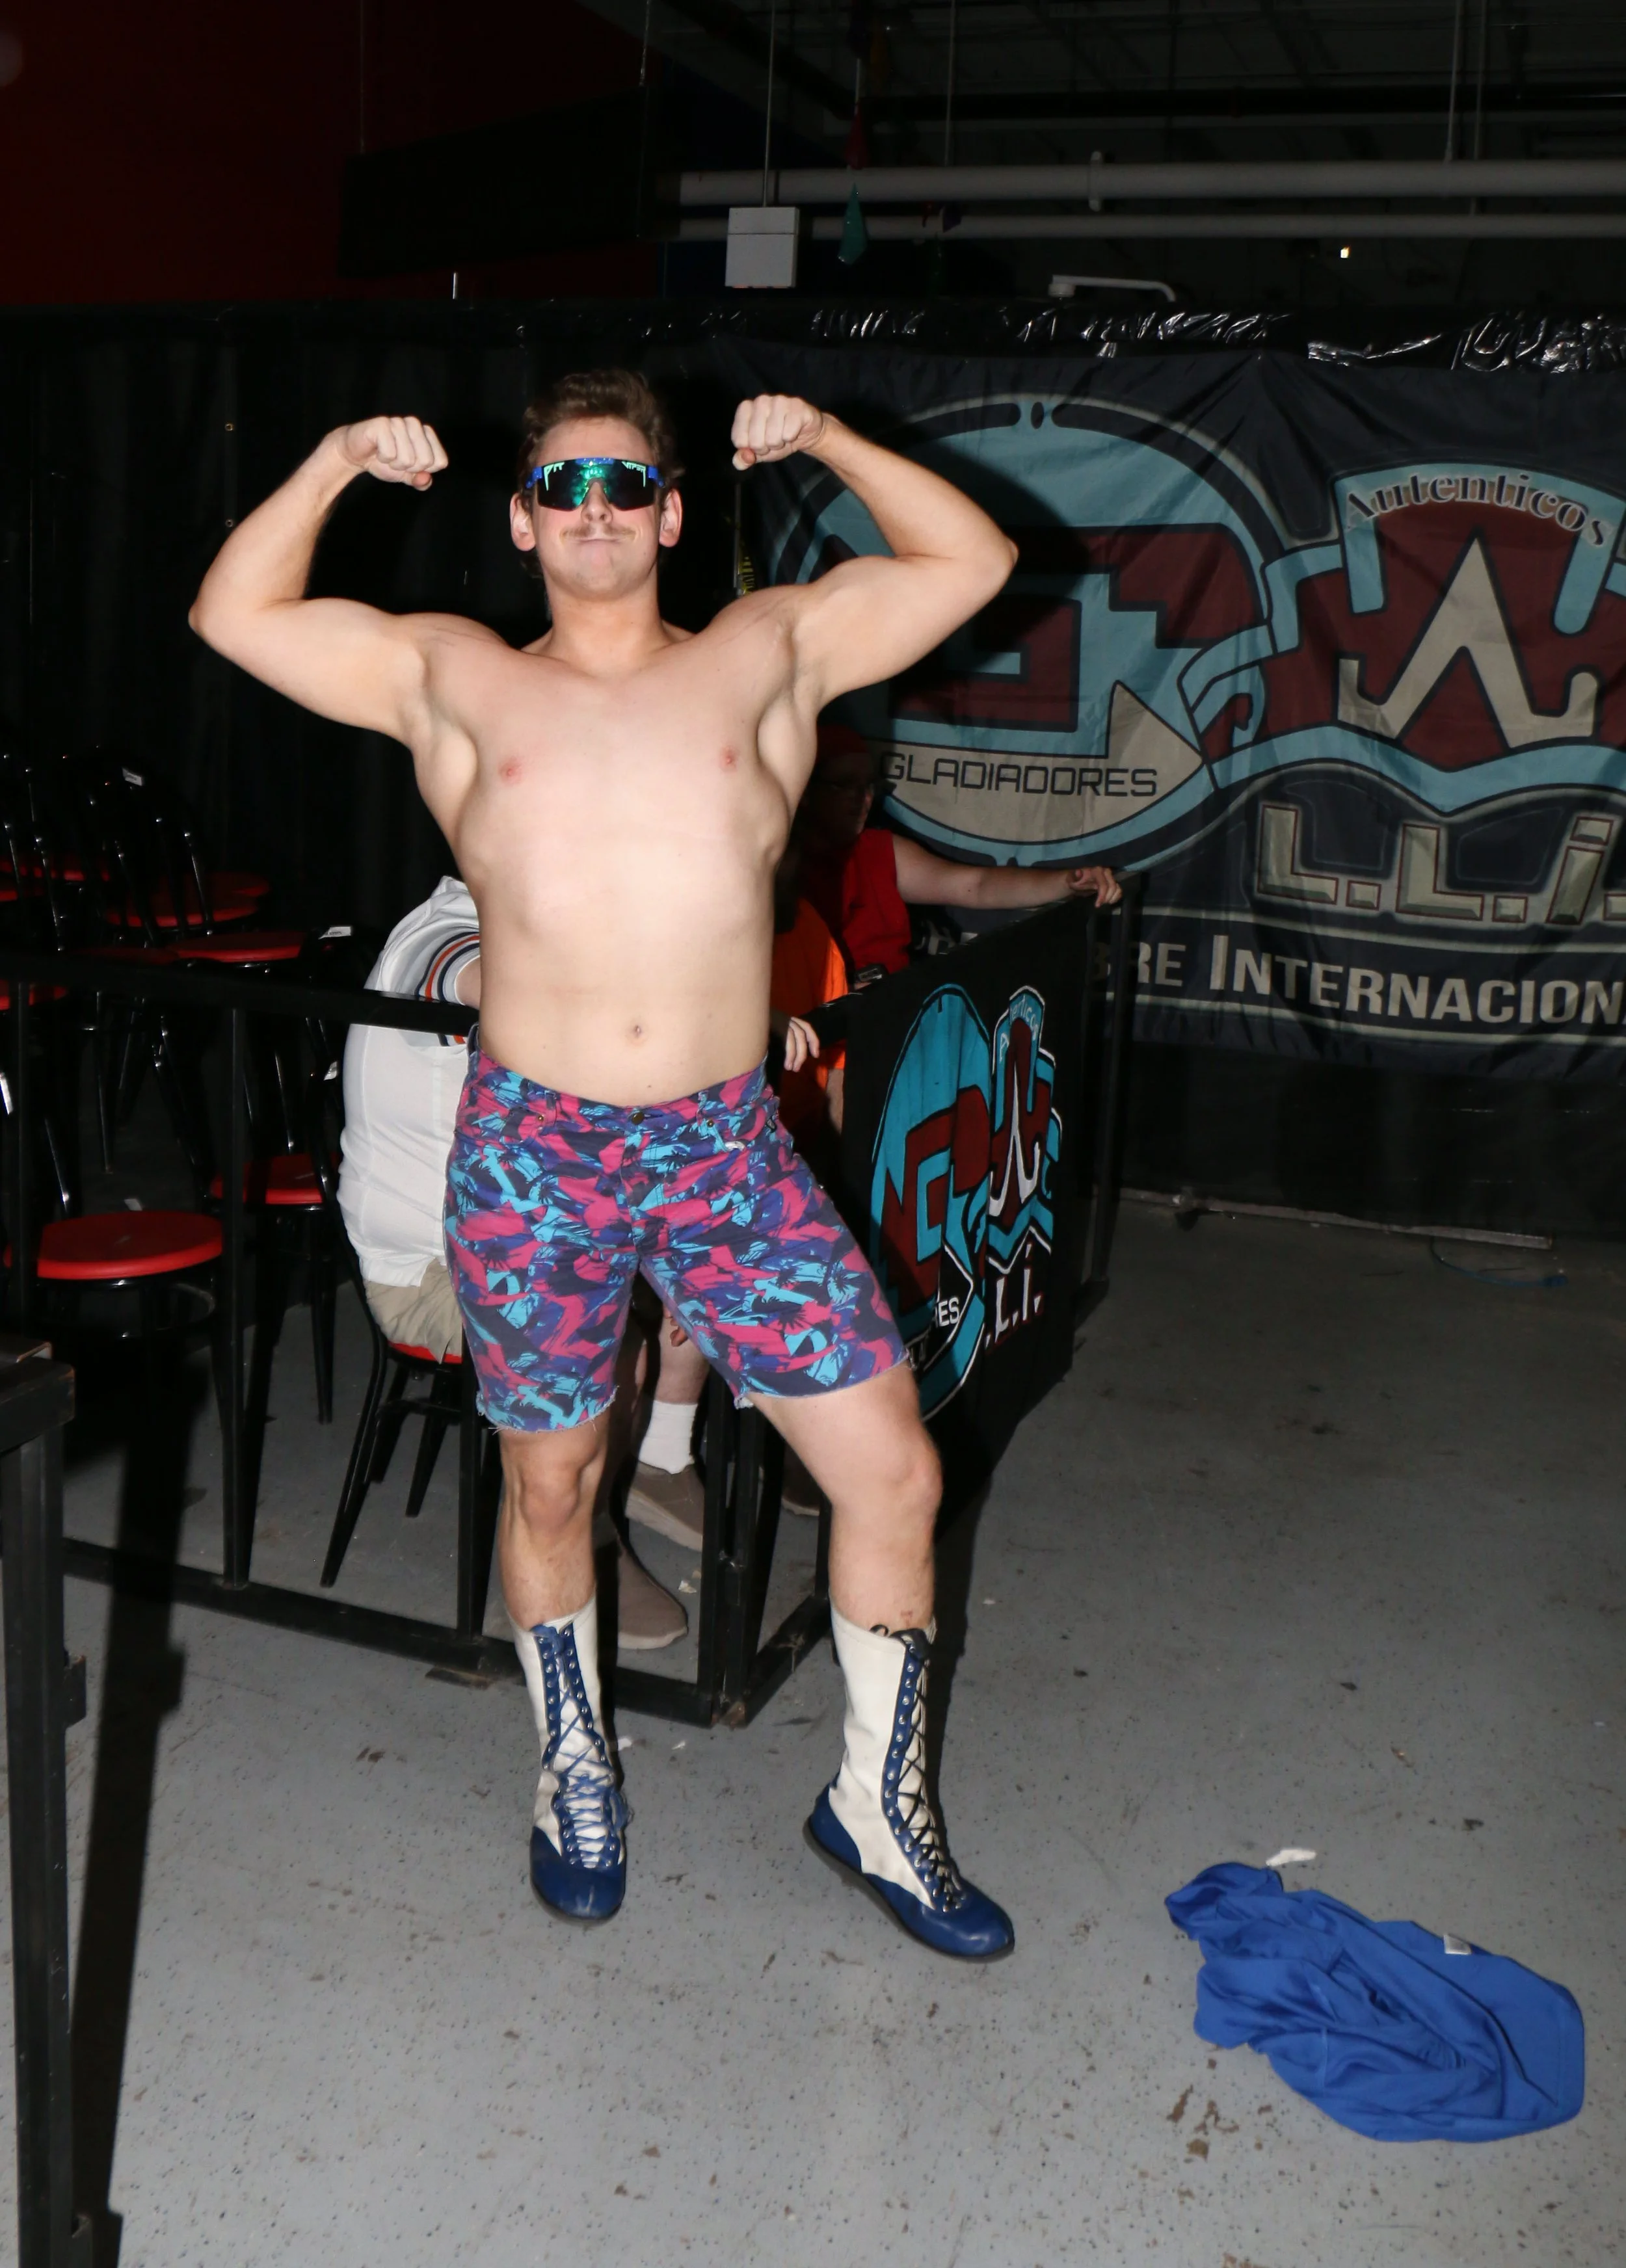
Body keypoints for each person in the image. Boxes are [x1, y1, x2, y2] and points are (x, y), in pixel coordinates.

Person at [190, 369, 1019, 1959]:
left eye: (623, 484)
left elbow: (971, 562)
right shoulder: (454, 676)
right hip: (538, 1153)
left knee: (893, 1470)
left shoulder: (763, 652)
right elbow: (233, 613)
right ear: (520, 521)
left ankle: (874, 1806)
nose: (593, 511)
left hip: (723, 1150)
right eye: (562, 487)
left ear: (671, 513)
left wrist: (831, 440)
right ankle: (573, 1761)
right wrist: (334, 453)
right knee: (553, 1478)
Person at [337, 877, 688, 1650]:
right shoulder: (442, 928)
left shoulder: (554, 936)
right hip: (423, 1270)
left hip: (513, 1236)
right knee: (608, 1339)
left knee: (694, 1264)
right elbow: (479, 980)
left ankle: (657, 1460)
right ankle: (579, 1537)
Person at [801, 722, 1123, 982]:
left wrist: (1067, 882)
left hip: (884, 1019)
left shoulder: (880, 851)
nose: (864, 799)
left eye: (868, 786)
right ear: (805, 789)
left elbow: (976, 885)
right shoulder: (782, 868)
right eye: (845, 785)